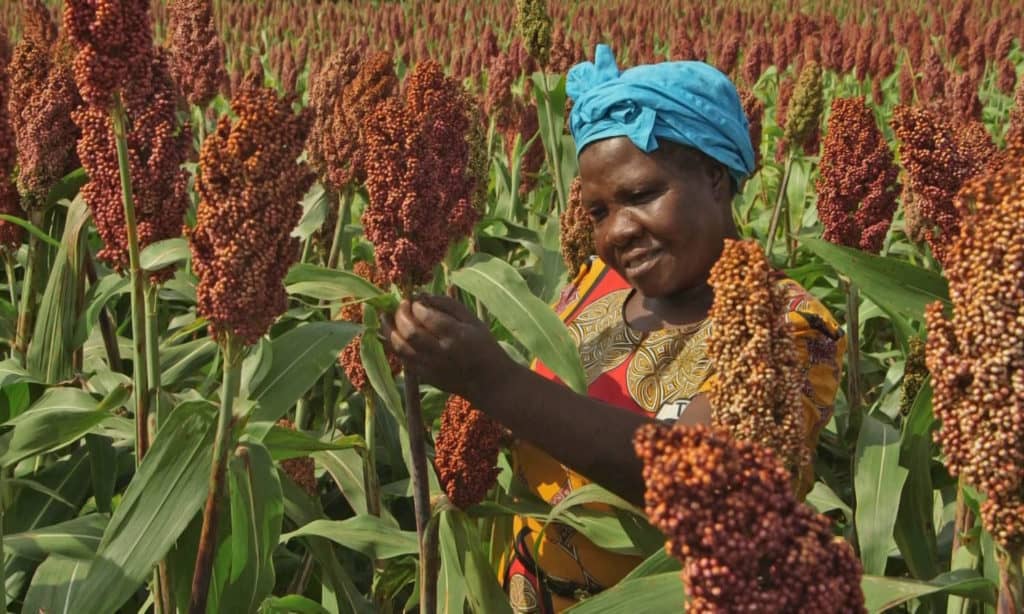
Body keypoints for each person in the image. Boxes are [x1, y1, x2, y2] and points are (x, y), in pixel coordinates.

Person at [382, 45, 845, 613]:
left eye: (641, 195)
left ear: (715, 176)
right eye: (598, 212)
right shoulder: (594, 286)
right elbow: (541, 424)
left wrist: (492, 381)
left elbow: (706, 482)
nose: (617, 232)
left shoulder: (791, 329)